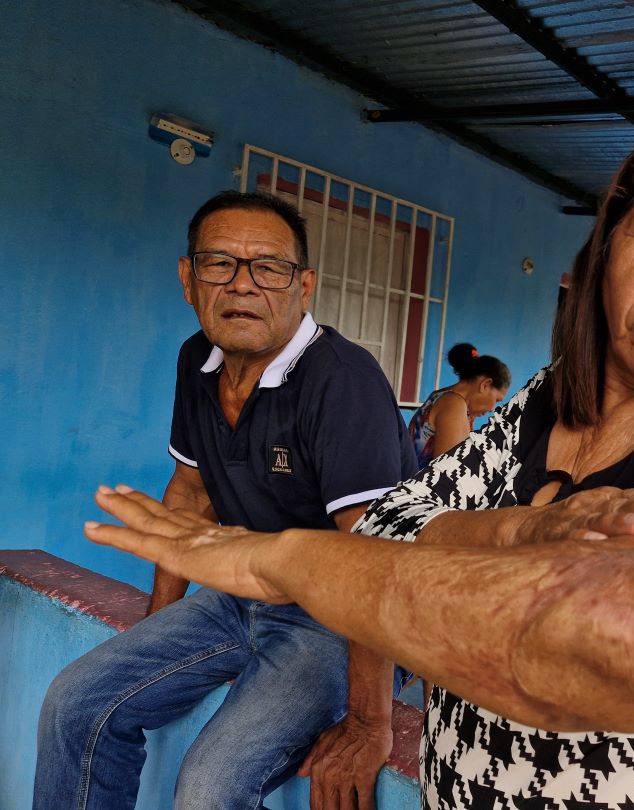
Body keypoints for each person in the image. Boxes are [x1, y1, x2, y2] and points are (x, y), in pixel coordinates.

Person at [85, 101, 634, 809]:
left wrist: (283, 562)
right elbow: (389, 522)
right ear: (609, 250)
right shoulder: (548, 400)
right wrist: (528, 534)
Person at [35, 191, 417, 810]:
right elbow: (189, 495)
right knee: (76, 703)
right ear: (189, 279)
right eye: (220, 264)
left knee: (211, 785)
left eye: (269, 268)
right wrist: (158, 629)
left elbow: (369, 561)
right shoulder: (199, 360)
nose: (244, 286)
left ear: (304, 286)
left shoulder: (342, 381)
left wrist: (371, 724)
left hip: (334, 621)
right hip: (236, 598)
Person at [409, 343, 510, 467]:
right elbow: (448, 471)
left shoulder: (442, 396)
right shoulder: (454, 404)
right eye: (496, 400)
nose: (492, 409)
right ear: (485, 384)